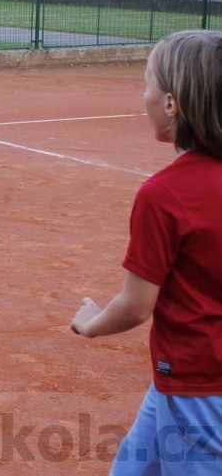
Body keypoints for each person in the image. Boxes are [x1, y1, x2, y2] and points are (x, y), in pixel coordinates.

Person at [71, 29, 222, 474]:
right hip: (177, 381)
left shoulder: (165, 195)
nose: (144, 97)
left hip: (199, 383)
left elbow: (136, 307)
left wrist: (92, 324)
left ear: (172, 103)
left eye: (147, 85)